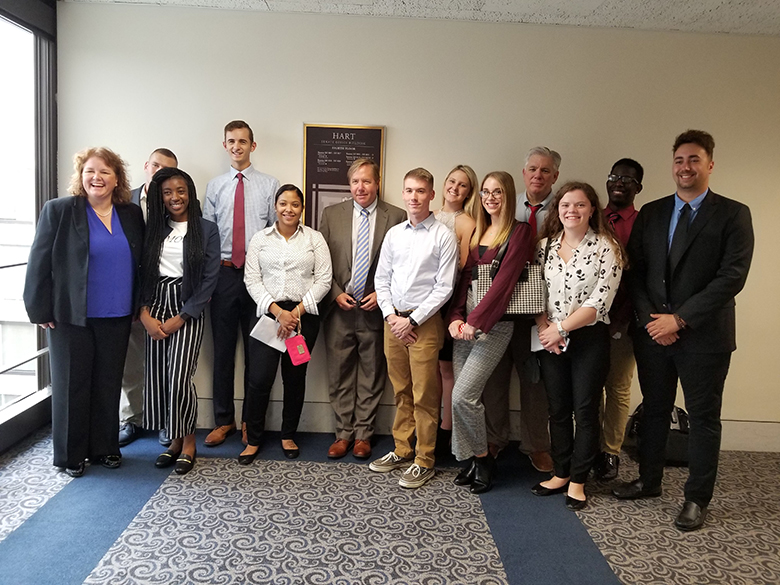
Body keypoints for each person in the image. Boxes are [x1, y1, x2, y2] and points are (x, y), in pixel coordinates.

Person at [613, 130, 754, 532]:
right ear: (671, 165)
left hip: (705, 337)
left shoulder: (733, 214)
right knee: (655, 410)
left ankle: (697, 498)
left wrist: (681, 319)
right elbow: (635, 272)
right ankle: (649, 480)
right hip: (654, 332)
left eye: (694, 160)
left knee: (704, 417)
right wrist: (654, 320)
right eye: (679, 160)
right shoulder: (653, 213)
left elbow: (732, 276)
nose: (685, 167)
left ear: (709, 164)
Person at [24, 147, 144, 477]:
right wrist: (39, 308)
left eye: (105, 172)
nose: (97, 178)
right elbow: (39, 262)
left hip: (118, 314)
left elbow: (140, 263)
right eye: (90, 171)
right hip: (69, 317)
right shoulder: (60, 211)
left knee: (107, 384)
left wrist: (138, 304)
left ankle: (105, 447)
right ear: (80, 176)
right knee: (71, 387)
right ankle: (70, 455)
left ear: (117, 179)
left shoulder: (130, 214)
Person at [531, 181, 624, 511]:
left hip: (588, 338)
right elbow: (533, 293)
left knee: (585, 410)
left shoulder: (607, 248)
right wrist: (546, 329)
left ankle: (579, 480)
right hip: (549, 338)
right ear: (558, 210)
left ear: (592, 209)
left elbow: (601, 301)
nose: (572, 210)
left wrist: (561, 329)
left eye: (580, 205)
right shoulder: (544, 247)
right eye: (565, 205)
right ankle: (561, 471)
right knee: (557, 409)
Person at [369, 168, 458, 489]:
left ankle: (425, 458)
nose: (414, 197)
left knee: (425, 394)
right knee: (401, 389)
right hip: (392, 322)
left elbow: (444, 287)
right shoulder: (395, 234)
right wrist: (392, 316)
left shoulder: (443, 236)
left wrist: (412, 320)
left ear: (431, 195)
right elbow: (382, 279)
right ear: (403, 194)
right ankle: (402, 449)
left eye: (421, 191)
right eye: (409, 191)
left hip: (425, 323)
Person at [447, 171, 534, 494]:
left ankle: (484, 459)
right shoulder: (480, 230)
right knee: (463, 399)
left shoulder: (519, 232)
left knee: (462, 396)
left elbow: (504, 285)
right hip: (464, 327)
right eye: (485, 192)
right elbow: (466, 280)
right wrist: (455, 318)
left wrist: (476, 322)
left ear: (509, 195)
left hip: (494, 327)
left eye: (497, 192)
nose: (491, 198)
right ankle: (470, 458)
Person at [319, 159, 407, 460]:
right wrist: (335, 293)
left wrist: (383, 296)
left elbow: (401, 268)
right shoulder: (331, 215)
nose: (361, 187)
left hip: (375, 310)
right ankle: (343, 434)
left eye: (367, 181)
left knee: (372, 374)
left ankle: (363, 435)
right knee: (339, 373)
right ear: (349, 184)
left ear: (377, 183)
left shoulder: (396, 216)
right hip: (340, 309)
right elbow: (320, 264)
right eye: (356, 181)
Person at [238, 184, 332, 463]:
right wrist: (279, 312)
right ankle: (253, 439)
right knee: (259, 379)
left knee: (294, 378)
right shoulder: (260, 239)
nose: (288, 209)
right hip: (269, 312)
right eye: (283, 204)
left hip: (303, 316)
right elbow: (251, 279)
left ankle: (288, 434)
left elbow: (324, 279)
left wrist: (296, 313)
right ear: (275, 207)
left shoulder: (314, 239)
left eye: (294, 204)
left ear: (302, 209)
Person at [203, 120, 280, 447]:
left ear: (253, 145)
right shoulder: (215, 186)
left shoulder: (269, 184)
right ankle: (224, 421)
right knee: (222, 352)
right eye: (231, 141)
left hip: (257, 278)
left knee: (256, 352)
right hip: (222, 275)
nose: (237, 146)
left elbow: (277, 234)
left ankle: (252, 421)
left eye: (243, 141)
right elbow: (207, 234)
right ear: (225, 145)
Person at [483, 146, 560, 472]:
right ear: (524, 172)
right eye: (532, 169)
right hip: (500, 308)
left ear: (555, 176)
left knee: (534, 382)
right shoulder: (504, 206)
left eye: (545, 171)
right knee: (494, 379)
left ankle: (536, 445)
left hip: (540, 313)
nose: (537, 176)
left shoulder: (565, 207)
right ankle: (494, 439)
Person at [138, 168, 220, 475]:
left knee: (179, 377)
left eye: (181, 191)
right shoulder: (154, 229)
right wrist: (144, 313)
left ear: (191, 193)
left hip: (187, 306)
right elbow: (143, 273)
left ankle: (188, 444)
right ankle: (172, 441)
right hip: (155, 302)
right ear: (161, 197)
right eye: (168, 192)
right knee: (159, 377)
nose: (175, 197)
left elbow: (210, 278)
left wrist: (183, 316)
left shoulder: (206, 229)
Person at [119, 148, 178, 449]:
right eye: (155, 166)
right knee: (131, 360)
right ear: (146, 166)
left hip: (166, 294)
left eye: (166, 169)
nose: (158, 173)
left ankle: (167, 420)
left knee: (167, 361)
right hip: (128, 293)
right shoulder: (120, 200)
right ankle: (132, 418)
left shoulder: (177, 205)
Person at [594, 158, 643, 481]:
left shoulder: (644, 222)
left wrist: (622, 318)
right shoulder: (592, 216)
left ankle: (610, 451)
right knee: (588, 386)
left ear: (638, 187)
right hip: (586, 318)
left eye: (627, 180)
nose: (619, 183)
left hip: (624, 319)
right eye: (614, 177)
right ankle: (590, 446)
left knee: (618, 385)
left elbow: (642, 275)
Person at [433, 165, 477, 454]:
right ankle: (429, 423)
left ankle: (445, 430)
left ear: (469, 192)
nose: (455, 188)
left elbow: (460, 266)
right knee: (430, 369)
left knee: (447, 369)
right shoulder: (430, 215)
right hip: (423, 301)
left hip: (449, 300)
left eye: (463, 185)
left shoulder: (467, 223)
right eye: (452, 181)